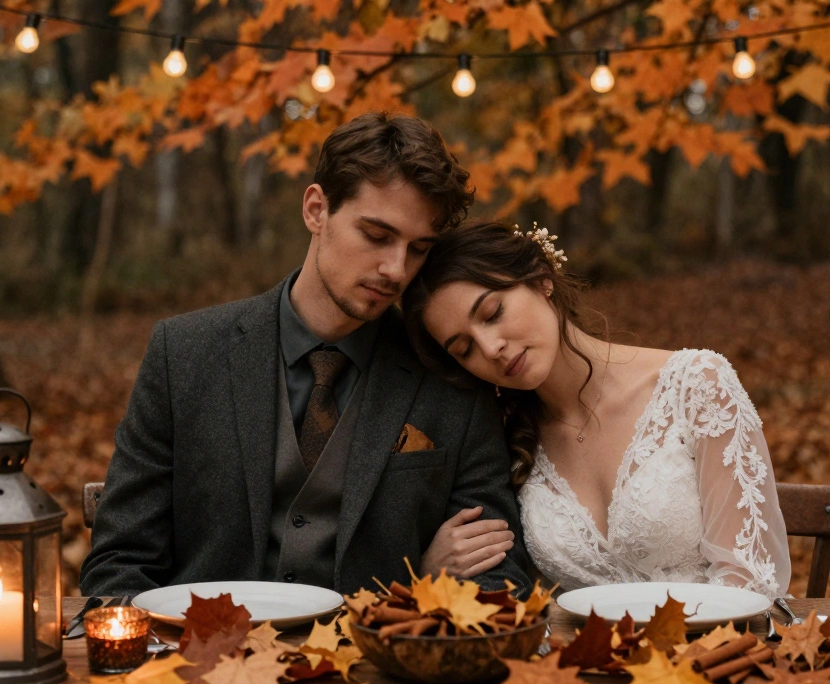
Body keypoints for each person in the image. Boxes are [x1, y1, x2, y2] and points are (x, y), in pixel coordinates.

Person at [81, 114, 529, 598]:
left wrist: (408, 612)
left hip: (380, 662)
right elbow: (119, 563)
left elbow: (501, 577)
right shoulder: (184, 353)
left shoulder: (448, 373)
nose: (396, 270)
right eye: (377, 236)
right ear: (316, 210)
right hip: (201, 660)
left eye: (418, 248)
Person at [401, 220, 790, 597]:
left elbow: (748, 582)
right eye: (464, 349)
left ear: (541, 279)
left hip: (717, 653)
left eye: (492, 313)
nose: (490, 348)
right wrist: (428, 569)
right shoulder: (503, 439)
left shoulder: (697, 385)